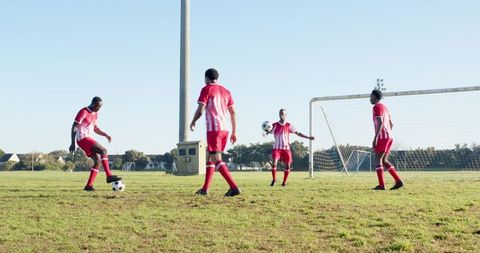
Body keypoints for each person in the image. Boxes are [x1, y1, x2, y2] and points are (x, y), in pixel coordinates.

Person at [190, 68, 241, 197]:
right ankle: (205, 189)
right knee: (210, 157)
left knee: (216, 158)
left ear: (206, 78)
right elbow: (233, 112)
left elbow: (200, 110)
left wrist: (193, 121)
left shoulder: (206, 89)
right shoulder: (226, 91)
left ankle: (234, 187)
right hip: (225, 129)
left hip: (214, 129)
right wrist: (234, 132)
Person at [69, 97, 122, 191]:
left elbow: (96, 128)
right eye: (98, 106)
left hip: (88, 138)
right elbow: (74, 126)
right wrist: (72, 142)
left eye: (100, 107)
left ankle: (88, 186)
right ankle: (109, 176)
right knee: (103, 150)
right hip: (82, 139)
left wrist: (105, 135)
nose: (99, 109)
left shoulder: (96, 114)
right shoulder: (83, 111)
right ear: (93, 104)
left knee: (98, 162)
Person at [266, 109, 314, 186]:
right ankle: (274, 180)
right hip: (277, 148)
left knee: (288, 165)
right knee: (274, 163)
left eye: (283, 113)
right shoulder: (274, 125)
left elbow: (298, 133)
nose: (282, 115)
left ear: (286, 115)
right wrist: (266, 132)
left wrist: (308, 137)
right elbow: (268, 131)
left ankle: (284, 182)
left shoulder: (289, 125)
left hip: (286, 148)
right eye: (280, 113)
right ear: (279, 115)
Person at [370, 89, 403, 190]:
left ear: (375, 97)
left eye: (371, 96)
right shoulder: (385, 108)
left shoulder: (376, 107)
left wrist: (376, 137)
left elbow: (380, 122)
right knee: (384, 160)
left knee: (378, 159)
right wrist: (388, 133)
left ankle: (381, 185)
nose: (370, 98)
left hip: (382, 136)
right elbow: (391, 124)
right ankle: (398, 181)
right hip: (389, 136)